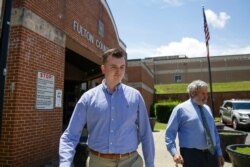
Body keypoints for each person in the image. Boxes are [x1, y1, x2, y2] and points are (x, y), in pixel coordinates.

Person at [59, 48, 155, 167]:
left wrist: (150, 164)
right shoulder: (88, 98)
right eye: (113, 67)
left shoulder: (135, 96)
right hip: (98, 162)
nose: (119, 72)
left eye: (122, 67)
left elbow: (146, 134)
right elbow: (70, 136)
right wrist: (65, 163)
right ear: (103, 68)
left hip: (131, 162)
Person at [165, 80, 224, 167]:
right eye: (203, 93)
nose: (206, 96)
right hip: (191, 155)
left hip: (212, 154)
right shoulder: (180, 109)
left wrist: (219, 152)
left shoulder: (207, 108)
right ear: (193, 93)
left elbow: (214, 132)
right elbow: (170, 133)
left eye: (206, 93)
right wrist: (174, 153)